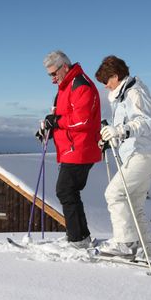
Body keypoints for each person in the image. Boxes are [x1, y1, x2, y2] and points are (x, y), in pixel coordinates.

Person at [94, 55, 151, 260]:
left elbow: (144, 122)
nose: (105, 86)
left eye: (106, 81)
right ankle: (146, 248)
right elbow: (126, 130)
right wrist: (111, 137)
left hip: (143, 153)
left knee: (114, 194)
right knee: (133, 202)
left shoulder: (135, 93)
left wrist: (120, 131)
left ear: (115, 76)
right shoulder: (124, 95)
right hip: (140, 153)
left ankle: (125, 244)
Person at [38, 50, 102, 248]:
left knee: (65, 191)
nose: (52, 79)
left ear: (64, 67)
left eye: (53, 74)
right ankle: (80, 236)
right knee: (69, 192)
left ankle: (77, 238)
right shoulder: (65, 87)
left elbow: (82, 119)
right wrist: (47, 128)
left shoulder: (81, 85)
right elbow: (62, 117)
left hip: (81, 148)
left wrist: (56, 122)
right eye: (49, 75)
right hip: (70, 148)